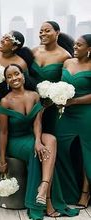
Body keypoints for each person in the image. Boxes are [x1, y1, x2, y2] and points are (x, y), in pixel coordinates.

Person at [0, 64, 79, 220]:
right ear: (6, 81)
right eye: (9, 76)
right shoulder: (5, 101)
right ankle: (47, 203)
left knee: (51, 140)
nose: (14, 78)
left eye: (17, 74)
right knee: (39, 153)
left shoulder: (34, 95)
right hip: (15, 141)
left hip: (32, 136)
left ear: (23, 75)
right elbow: (3, 132)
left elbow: (37, 123)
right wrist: (2, 159)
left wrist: (37, 141)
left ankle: (43, 187)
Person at [55, 34, 91, 208]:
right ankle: (68, 190)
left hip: (86, 114)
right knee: (60, 147)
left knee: (88, 153)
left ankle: (86, 192)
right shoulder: (67, 62)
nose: (75, 47)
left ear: (89, 49)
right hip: (66, 115)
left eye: (80, 44)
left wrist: (74, 101)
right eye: (75, 44)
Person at [0, 31, 34, 150]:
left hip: (8, 104)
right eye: (3, 37)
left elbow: (23, 85)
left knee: (5, 132)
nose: (2, 40)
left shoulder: (21, 63)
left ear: (14, 46)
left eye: (7, 39)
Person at [29, 21, 74, 134]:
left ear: (57, 32)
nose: (43, 33)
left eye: (47, 30)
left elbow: (65, 82)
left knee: (49, 133)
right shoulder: (34, 51)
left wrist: (52, 100)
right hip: (31, 102)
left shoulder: (65, 56)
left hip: (50, 105)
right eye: (41, 31)